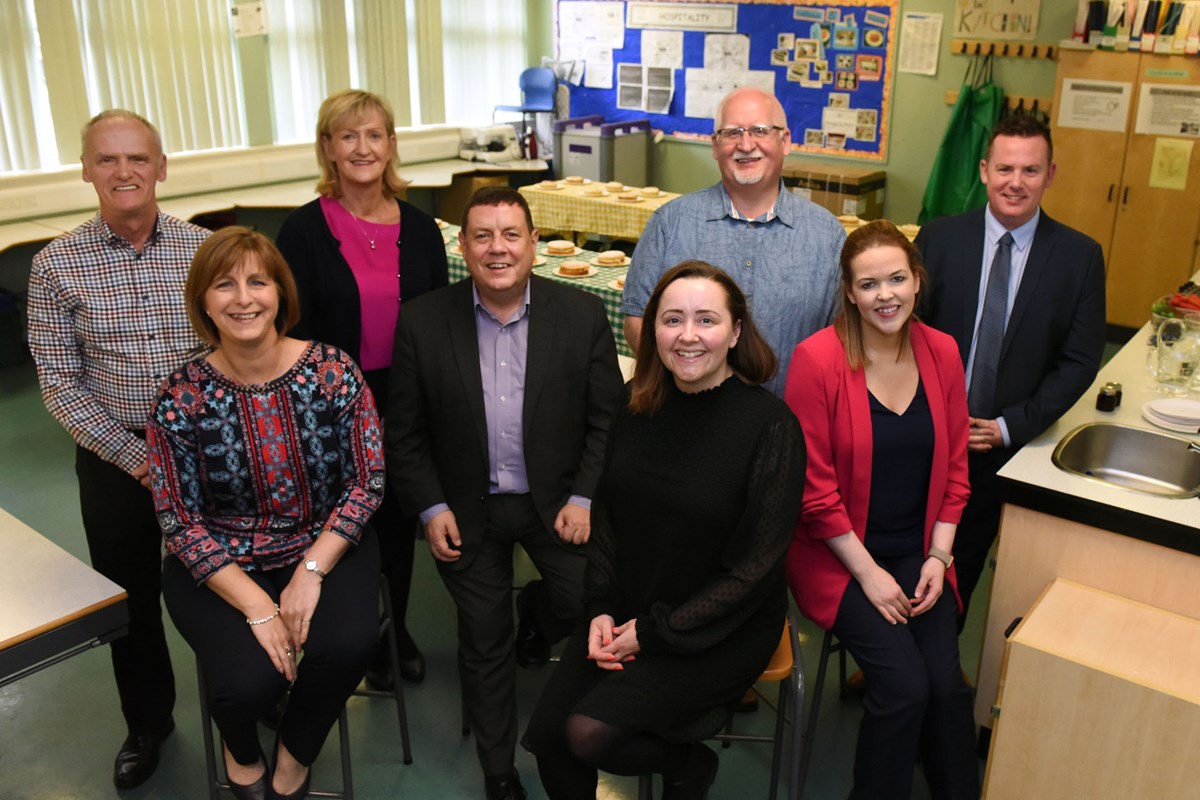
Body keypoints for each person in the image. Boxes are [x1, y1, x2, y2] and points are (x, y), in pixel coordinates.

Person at [523, 261, 806, 800]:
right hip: (632, 602)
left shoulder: (770, 427)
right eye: (673, 319)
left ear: (737, 331)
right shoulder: (636, 406)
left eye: (706, 319)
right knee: (550, 742)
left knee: (587, 734)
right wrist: (602, 606)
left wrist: (653, 632)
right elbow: (607, 517)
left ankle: (688, 765)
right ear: (653, 330)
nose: (689, 335)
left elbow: (755, 569)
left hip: (720, 625)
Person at [386, 186, 623, 800]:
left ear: (533, 244)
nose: (497, 249)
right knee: (483, 635)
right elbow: (404, 434)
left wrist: (585, 497)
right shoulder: (422, 321)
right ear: (463, 246)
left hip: (558, 505)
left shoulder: (579, 316)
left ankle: (538, 616)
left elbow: (607, 421)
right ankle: (498, 770)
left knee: (585, 603)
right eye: (483, 236)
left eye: (511, 235)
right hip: (467, 511)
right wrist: (431, 508)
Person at [148, 227, 384, 800]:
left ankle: (294, 758)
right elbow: (178, 518)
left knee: (346, 646)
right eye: (224, 285)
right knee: (241, 687)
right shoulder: (181, 396)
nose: (244, 298)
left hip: (324, 541)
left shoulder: (333, 372)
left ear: (281, 292)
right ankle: (242, 752)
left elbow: (367, 481)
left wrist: (310, 571)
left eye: (258, 281)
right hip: (222, 562)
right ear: (203, 300)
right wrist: (257, 606)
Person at [27, 109, 210, 790]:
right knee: (127, 597)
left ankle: (249, 694)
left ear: (162, 166)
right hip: (114, 455)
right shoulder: (54, 267)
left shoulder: (204, 251)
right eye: (107, 160)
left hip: (205, 445)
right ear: (85, 170)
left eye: (138, 158)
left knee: (229, 578)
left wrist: (197, 443)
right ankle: (148, 722)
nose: (124, 172)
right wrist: (136, 459)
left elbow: (236, 351)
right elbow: (61, 387)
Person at [785, 220, 979, 800]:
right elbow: (812, 493)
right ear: (848, 291)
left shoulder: (942, 351)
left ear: (917, 281)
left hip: (920, 554)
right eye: (869, 284)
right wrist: (867, 574)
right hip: (839, 557)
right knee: (904, 689)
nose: (885, 295)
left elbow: (955, 474)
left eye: (897, 278)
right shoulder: (816, 360)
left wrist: (939, 559)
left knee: (948, 689)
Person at [275, 88, 449, 687]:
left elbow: (442, 324)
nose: (362, 147)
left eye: (374, 134)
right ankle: (338, 633)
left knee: (399, 523)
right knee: (345, 524)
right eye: (347, 136)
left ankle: (391, 631)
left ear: (392, 145)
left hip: (406, 400)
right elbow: (288, 330)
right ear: (327, 148)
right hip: (332, 406)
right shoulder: (300, 232)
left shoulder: (423, 228)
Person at [915, 114, 1106, 622]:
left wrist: (1008, 426)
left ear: (1051, 174)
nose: (1015, 183)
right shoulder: (936, 241)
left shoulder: (1079, 257)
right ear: (983, 170)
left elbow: (1080, 360)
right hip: (926, 433)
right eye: (1004, 168)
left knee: (964, 559)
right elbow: (903, 335)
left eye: (1030, 170)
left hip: (999, 446)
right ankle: (893, 661)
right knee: (906, 550)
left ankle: (939, 656)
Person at [621, 86, 845, 397]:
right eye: (732, 133)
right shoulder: (670, 223)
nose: (746, 144)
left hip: (790, 422)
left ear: (786, 141)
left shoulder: (827, 236)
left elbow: (842, 338)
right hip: (687, 415)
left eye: (760, 130)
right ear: (715, 145)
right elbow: (637, 321)